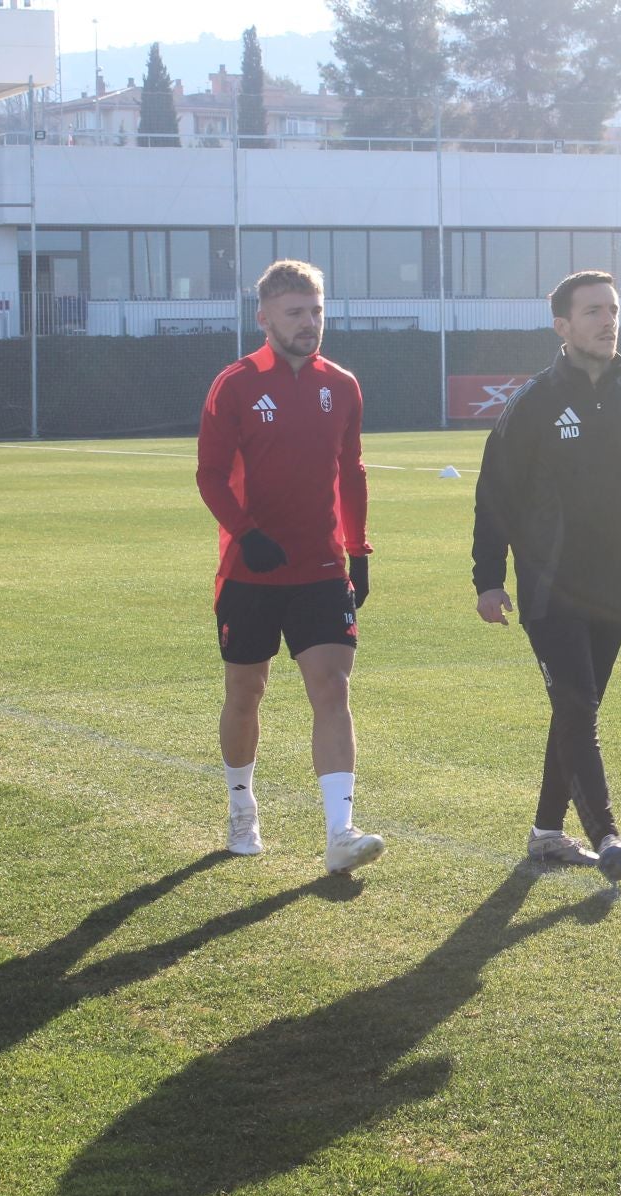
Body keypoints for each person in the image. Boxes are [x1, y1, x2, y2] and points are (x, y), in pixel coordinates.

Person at [471, 269, 621, 882]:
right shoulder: (536, 402)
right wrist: (488, 579)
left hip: (615, 583)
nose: (607, 320)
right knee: (577, 708)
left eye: (613, 309)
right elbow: (496, 496)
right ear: (562, 326)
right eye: (593, 310)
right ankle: (607, 835)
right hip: (549, 587)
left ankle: (546, 834)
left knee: (576, 711)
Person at [196, 260, 383, 875]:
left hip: (321, 568)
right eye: (295, 312)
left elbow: (350, 472)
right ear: (265, 317)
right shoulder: (236, 383)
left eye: (317, 310)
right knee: (245, 692)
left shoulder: (344, 386)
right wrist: (247, 537)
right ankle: (241, 805)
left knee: (332, 688)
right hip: (249, 572)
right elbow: (210, 476)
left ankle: (340, 831)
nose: (310, 323)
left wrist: (357, 550)